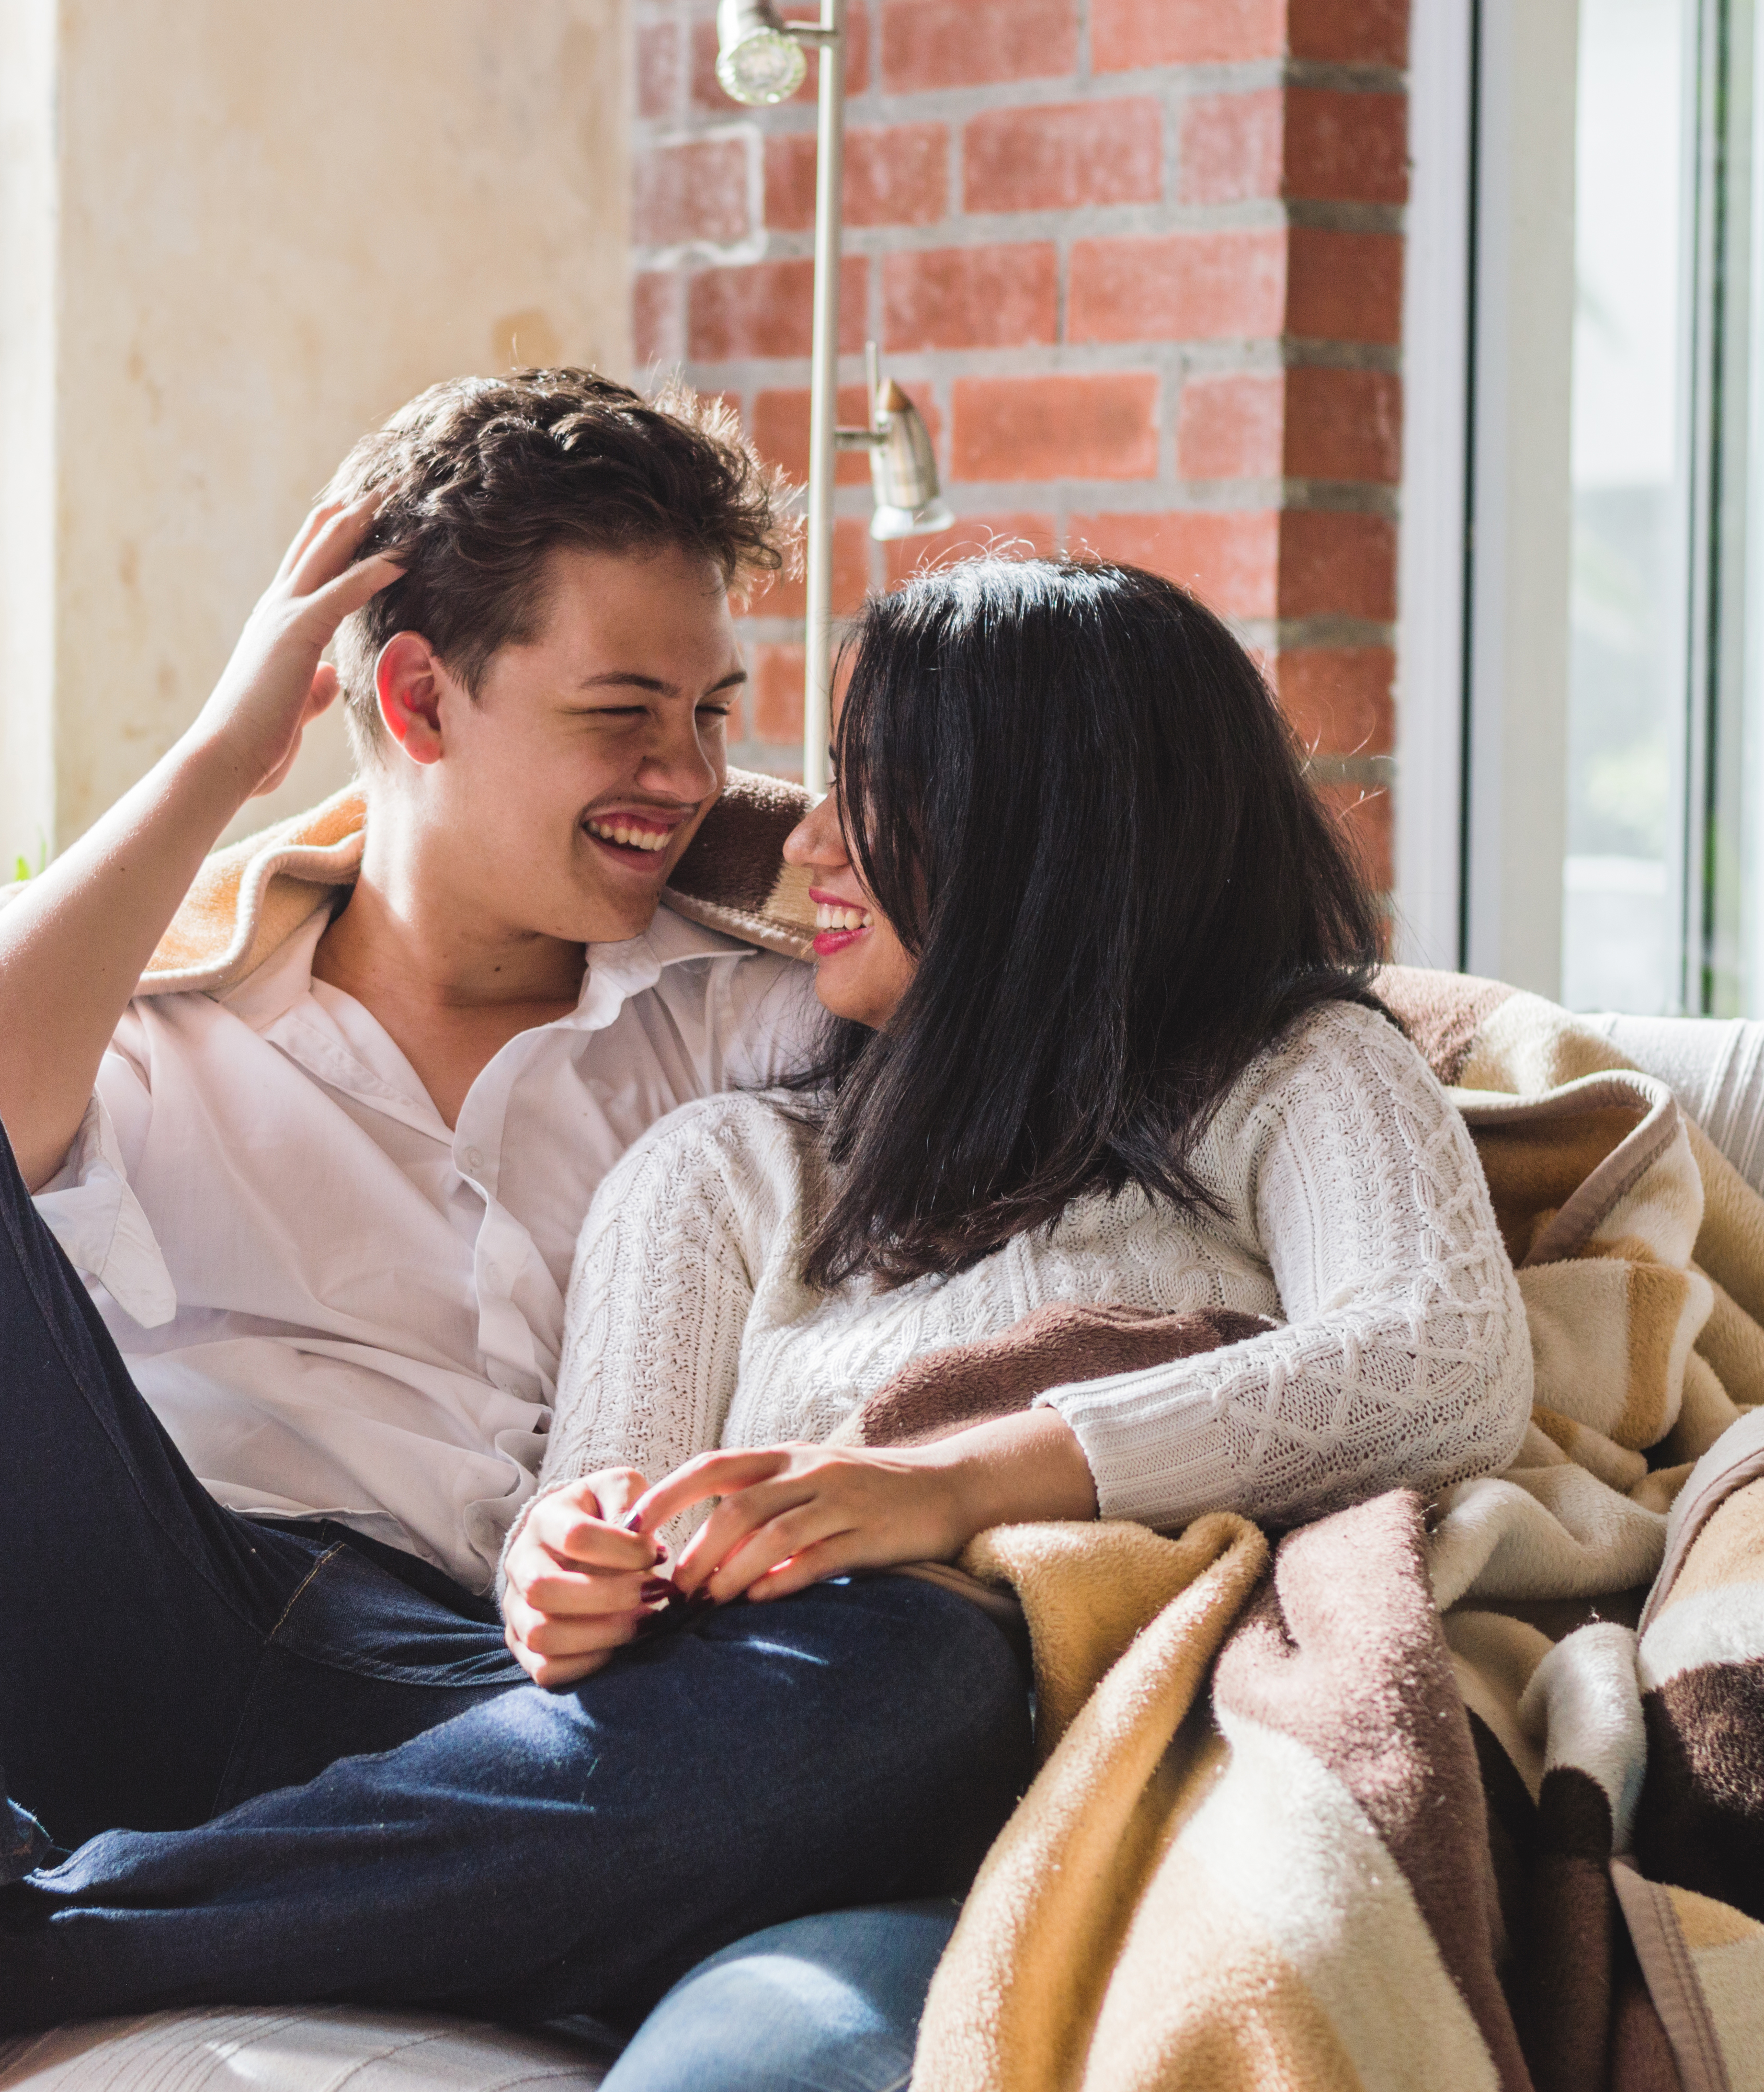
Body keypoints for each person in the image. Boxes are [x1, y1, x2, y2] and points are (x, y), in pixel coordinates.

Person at [0, 371, 1035, 2092]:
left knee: (924, 1677)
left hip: (465, 1703)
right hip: (108, 1601)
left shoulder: (740, 1020)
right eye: (627, 711)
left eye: (714, 712)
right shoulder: (140, 1003)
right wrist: (215, 759)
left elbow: (1039, 969)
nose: (688, 773)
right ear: (413, 695)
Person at [506, 555, 1535, 2092]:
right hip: (760, 1800)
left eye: (874, 791)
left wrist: (955, 1485)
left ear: (1048, 837)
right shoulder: (723, 1175)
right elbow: (600, 1515)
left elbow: (1441, 1364)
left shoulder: (1293, 1073)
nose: (807, 840)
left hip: (1099, 1795)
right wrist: (558, 1568)